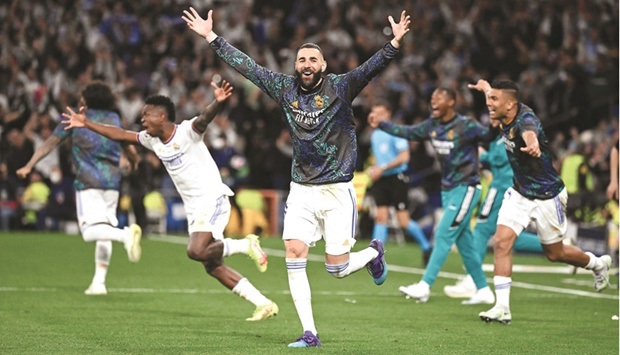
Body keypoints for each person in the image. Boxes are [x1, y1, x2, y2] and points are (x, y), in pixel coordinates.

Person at [182, 7, 408, 347]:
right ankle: (310, 333)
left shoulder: (341, 87)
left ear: (323, 66)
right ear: (296, 65)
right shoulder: (284, 89)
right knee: (293, 253)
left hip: (336, 189)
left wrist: (393, 43)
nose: (306, 64)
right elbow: (249, 68)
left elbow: (371, 68)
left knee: (337, 269)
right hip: (300, 188)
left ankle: (373, 253)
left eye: (313, 60)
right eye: (302, 59)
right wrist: (212, 38)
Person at [62, 80, 278, 322]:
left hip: (212, 198)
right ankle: (263, 303)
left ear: (162, 116)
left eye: (147, 114)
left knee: (195, 250)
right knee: (212, 265)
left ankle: (244, 245)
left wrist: (217, 101)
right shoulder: (152, 140)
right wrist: (86, 123)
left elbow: (204, 119)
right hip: (195, 207)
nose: (142, 119)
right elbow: (121, 134)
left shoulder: (187, 131)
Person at [468, 79, 612, 324]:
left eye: (494, 100)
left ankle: (597, 264)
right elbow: (497, 101)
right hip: (519, 192)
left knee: (555, 254)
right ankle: (502, 307)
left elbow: (530, 133)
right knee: (502, 242)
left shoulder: (526, 121)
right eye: (490, 99)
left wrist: (532, 144)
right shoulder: (505, 108)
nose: (489, 105)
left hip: (548, 196)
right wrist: (486, 89)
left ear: (511, 105)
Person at [369, 87, 495, 305]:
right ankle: (483, 289)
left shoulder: (466, 125)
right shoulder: (432, 125)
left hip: (467, 188)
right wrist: (381, 124)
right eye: (431, 99)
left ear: (451, 103)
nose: (433, 102)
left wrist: (492, 106)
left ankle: (425, 285)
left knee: (443, 234)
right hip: (448, 191)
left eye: (439, 99)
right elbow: (408, 132)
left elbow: (490, 135)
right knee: (464, 243)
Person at [16, 81, 143, 296]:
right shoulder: (113, 118)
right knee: (104, 231)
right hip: (112, 183)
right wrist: (134, 161)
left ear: (87, 98)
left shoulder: (76, 117)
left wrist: (29, 165)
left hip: (88, 181)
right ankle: (99, 283)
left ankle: (125, 235)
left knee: (89, 232)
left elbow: (50, 143)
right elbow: (125, 143)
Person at [443, 119, 543, 302]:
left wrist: (479, 155)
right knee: (505, 235)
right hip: (509, 188)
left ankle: (473, 280)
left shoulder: (507, 137)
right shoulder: (505, 136)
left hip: (501, 188)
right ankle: (551, 243)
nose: (490, 119)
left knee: (482, 229)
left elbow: (496, 159)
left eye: (494, 114)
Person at [366, 101, 432, 265]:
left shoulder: (396, 132)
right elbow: (381, 158)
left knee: (403, 220)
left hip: (397, 177)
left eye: (379, 113)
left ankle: (426, 247)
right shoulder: (375, 135)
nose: (376, 116)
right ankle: (376, 256)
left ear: (388, 114)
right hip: (382, 179)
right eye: (374, 113)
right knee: (380, 216)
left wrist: (384, 167)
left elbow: (404, 157)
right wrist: (374, 168)